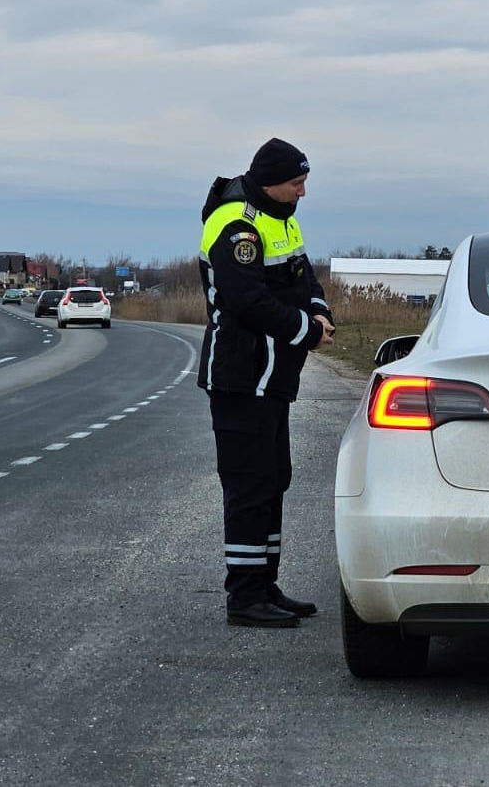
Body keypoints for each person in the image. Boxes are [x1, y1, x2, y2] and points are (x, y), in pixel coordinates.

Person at [197, 137, 335, 628]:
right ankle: (244, 596)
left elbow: (304, 277)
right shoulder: (237, 224)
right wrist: (306, 332)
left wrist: (319, 310)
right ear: (272, 182)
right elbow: (246, 301)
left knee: (274, 480)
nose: (303, 192)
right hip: (241, 377)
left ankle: (265, 584)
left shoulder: (281, 218)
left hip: (273, 379)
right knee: (249, 486)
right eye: (297, 183)